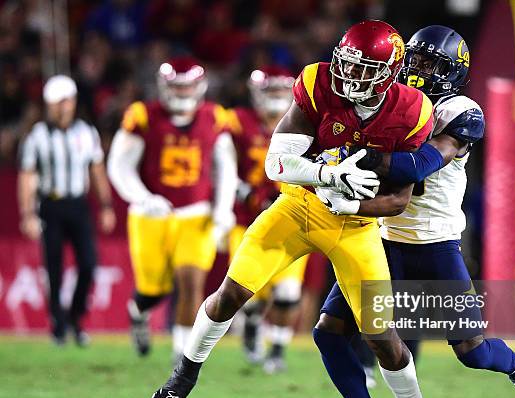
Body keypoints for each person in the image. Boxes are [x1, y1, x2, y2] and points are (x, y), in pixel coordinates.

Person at [148, 20, 461, 398]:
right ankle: (182, 376)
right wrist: (328, 175)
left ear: (389, 72)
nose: (350, 76)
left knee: (383, 338)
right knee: (229, 295)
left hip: (356, 227)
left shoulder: (412, 112)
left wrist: (349, 203)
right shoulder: (318, 84)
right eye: (347, 65)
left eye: (365, 69)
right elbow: (276, 164)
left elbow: (398, 202)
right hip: (298, 208)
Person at [313, 26, 515, 398]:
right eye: (414, 60)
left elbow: (418, 167)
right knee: (328, 331)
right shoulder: (389, 96)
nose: (418, 70)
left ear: (452, 73)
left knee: (472, 351)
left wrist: (358, 157)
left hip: (434, 244)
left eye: (431, 64)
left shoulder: (462, 112)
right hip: (382, 239)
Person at [107, 57, 238, 360]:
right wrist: (142, 197)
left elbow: (226, 169)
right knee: (154, 290)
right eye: (176, 87)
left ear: (199, 87)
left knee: (192, 281)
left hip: (196, 215)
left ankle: (182, 352)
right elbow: (119, 165)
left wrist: (222, 210)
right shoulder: (143, 115)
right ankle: (137, 313)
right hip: (152, 215)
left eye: (186, 86)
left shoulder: (214, 117)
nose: (181, 93)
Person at [18, 74, 116, 346]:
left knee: (88, 264)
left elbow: (96, 170)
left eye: (68, 100)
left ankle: (75, 317)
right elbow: (26, 176)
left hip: (78, 204)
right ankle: (58, 325)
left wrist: (106, 205)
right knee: (54, 268)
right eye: (59, 101)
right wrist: (27, 213)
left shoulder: (86, 133)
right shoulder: (37, 136)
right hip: (50, 204)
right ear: (49, 104)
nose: (64, 106)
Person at [225, 68, 309, 373]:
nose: (274, 99)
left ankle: (277, 349)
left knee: (289, 292)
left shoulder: (303, 124)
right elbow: (218, 162)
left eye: (279, 92)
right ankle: (251, 320)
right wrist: (239, 190)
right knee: (249, 292)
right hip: (247, 221)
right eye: (269, 92)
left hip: (291, 220)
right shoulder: (237, 122)